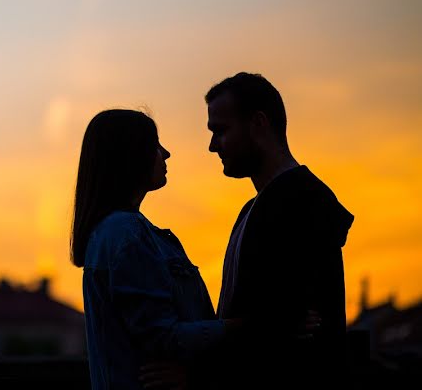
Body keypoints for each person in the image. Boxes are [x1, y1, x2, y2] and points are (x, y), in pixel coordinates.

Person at [206, 72, 354, 389]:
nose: (211, 146)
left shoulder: (305, 201)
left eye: (221, 130)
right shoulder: (255, 209)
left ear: (258, 124)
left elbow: (281, 325)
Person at [71, 109, 237, 390]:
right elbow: (162, 336)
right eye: (155, 145)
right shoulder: (127, 233)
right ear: (130, 155)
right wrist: (247, 326)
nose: (167, 153)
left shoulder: (119, 233)